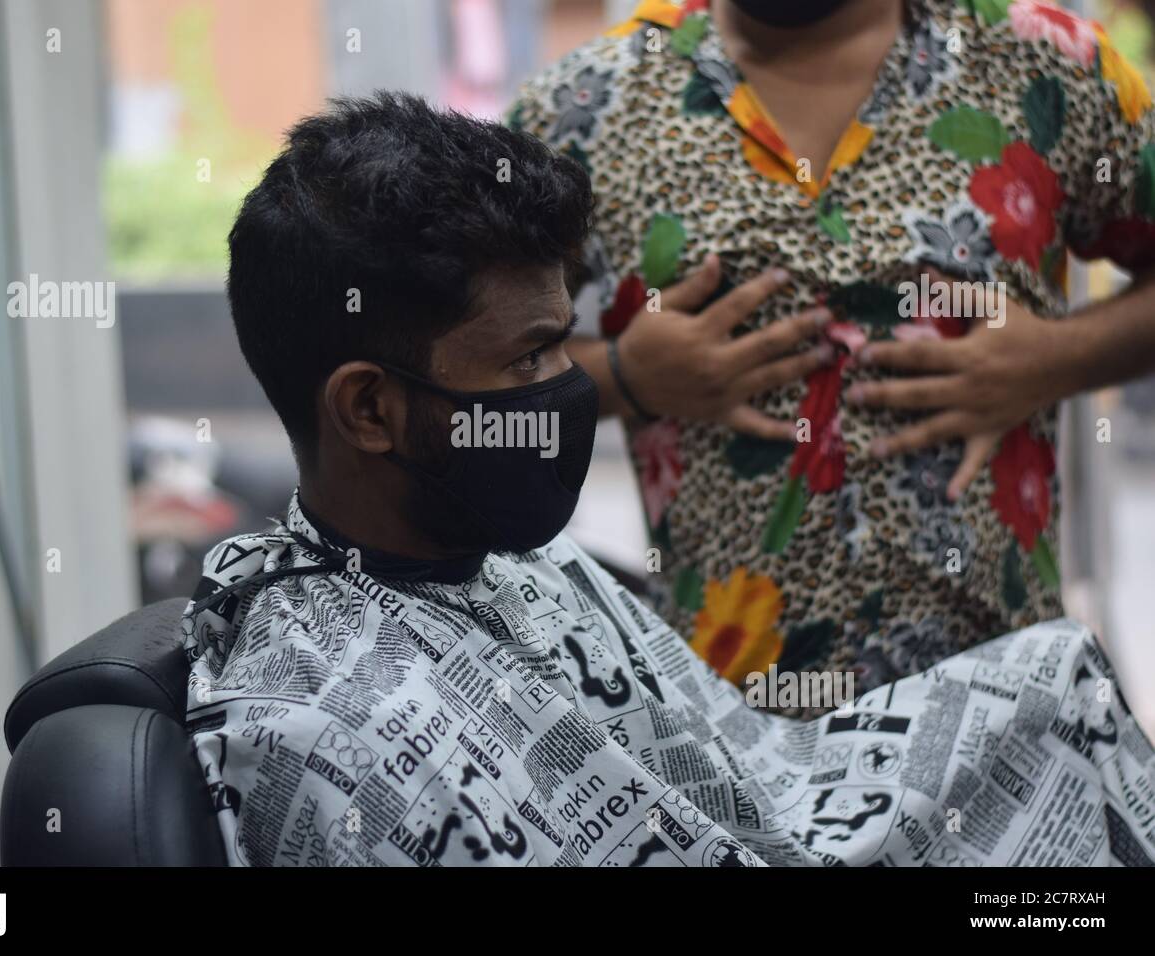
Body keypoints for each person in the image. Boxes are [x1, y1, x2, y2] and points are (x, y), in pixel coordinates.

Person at [181, 92, 1155, 867]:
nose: (566, 385)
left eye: (564, 343)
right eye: (527, 359)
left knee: (1050, 682)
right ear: (367, 408)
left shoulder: (499, 559)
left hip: (803, 801)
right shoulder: (332, 725)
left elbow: (764, 781)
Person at [509, 0, 1155, 710]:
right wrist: (626, 375)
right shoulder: (582, 108)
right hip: (727, 728)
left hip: (998, 716)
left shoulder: (1048, 64)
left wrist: (1059, 357)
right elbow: (455, 372)